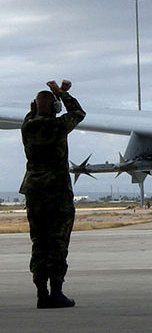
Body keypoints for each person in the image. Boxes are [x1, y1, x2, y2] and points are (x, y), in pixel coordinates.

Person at [19, 80, 85, 309]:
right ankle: (56, 291)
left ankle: (41, 293)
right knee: (58, 242)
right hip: (57, 191)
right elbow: (78, 113)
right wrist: (62, 94)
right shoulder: (58, 126)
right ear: (55, 109)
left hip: (34, 190)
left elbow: (33, 111)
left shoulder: (27, 126)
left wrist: (47, 100)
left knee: (39, 242)